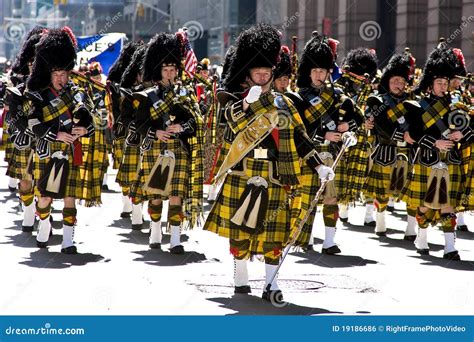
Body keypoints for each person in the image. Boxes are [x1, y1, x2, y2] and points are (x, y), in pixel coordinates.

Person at [204, 24, 334, 303]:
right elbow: (231, 124)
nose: (262, 77)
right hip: (244, 171)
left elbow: (300, 141)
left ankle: (271, 284)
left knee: (274, 235)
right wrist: (246, 105)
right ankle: (240, 278)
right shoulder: (236, 101)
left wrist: (319, 166)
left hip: (277, 175)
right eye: (257, 73)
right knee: (241, 230)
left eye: (266, 73)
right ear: (247, 75)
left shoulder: (284, 104)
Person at [27, 27, 95, 254]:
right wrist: (55, 134)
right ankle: (44, 223)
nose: (60, 78)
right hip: (48, 150)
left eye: (64, 74)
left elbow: (90, 120)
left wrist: (84, 129)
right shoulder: (39, 95)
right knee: (45, 198)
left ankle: (68, 241)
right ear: (49, 73)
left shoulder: (77, 93)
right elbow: (32, 124)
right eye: (56, 74)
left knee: (69, 197)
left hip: (70, 151)